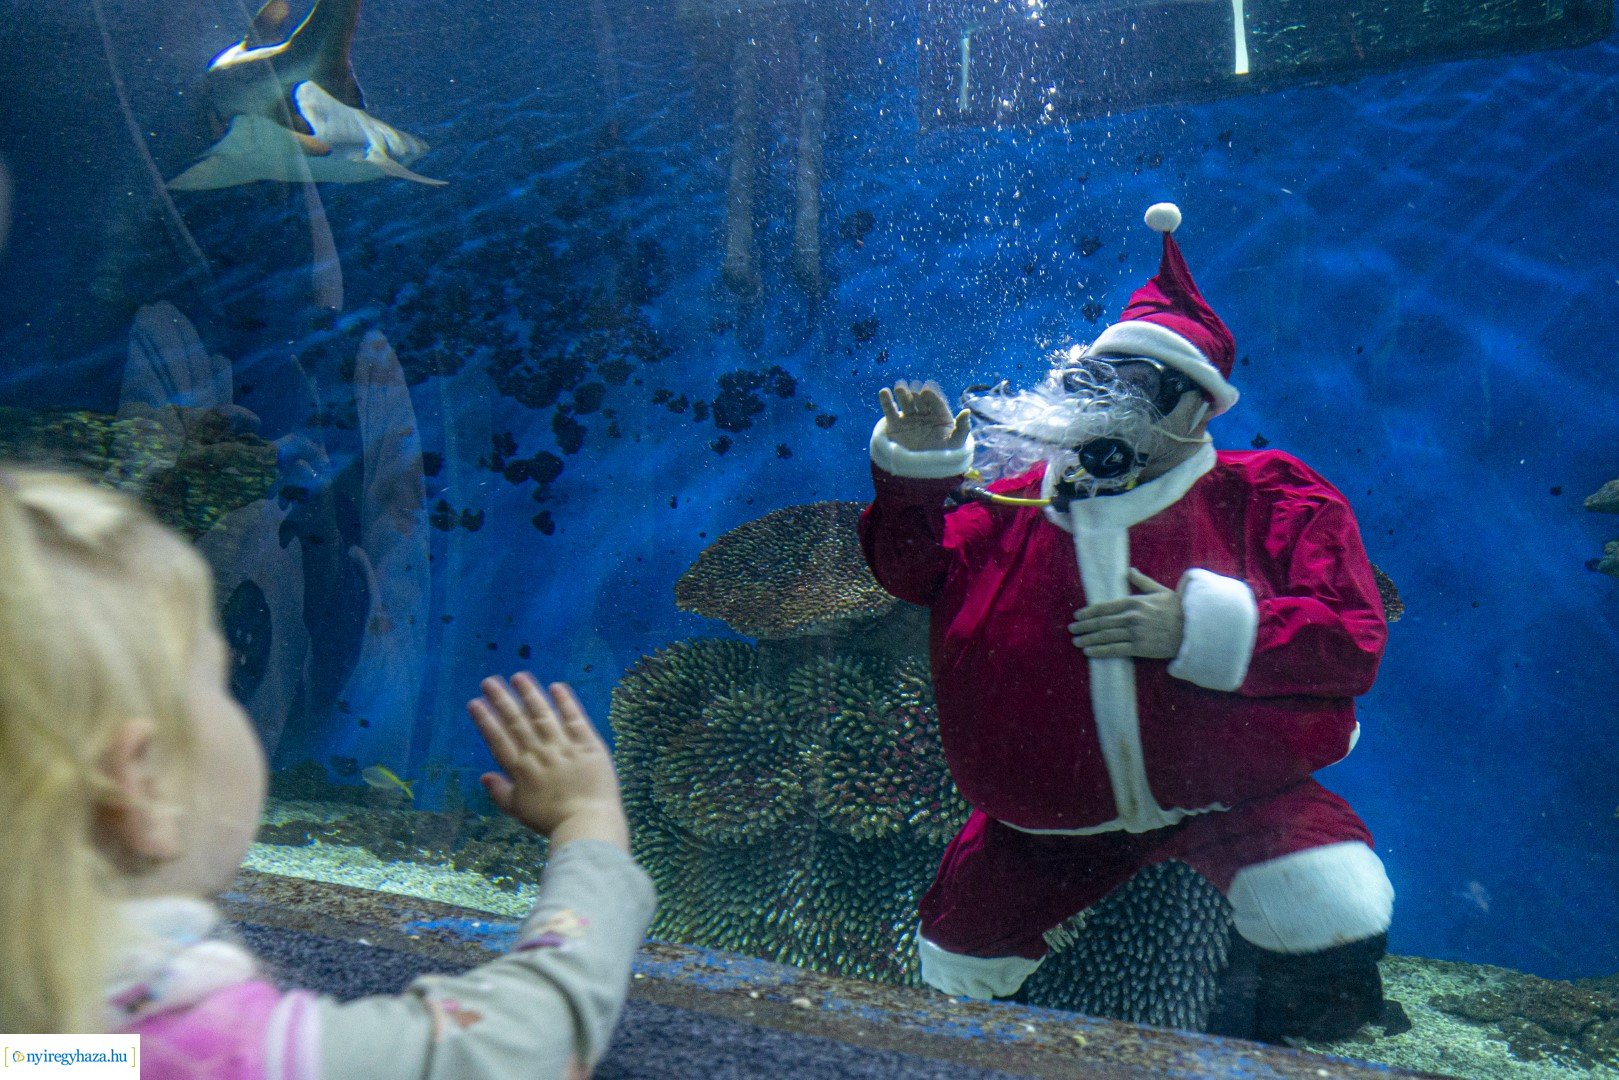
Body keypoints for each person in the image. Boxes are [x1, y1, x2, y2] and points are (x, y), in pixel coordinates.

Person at [858, 203, 1396, 1044]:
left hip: (1239, 793)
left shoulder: (1270, 494)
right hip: (1043, 824)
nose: (1111, 408)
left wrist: (1195, 627)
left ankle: (1296, 1022)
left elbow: (1350, 635)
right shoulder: (1018, 498)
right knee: (956, 958)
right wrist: (915, 479)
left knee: (1330, 902)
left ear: (1199, 408)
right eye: (1095, 383)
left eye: (1143, 387)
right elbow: (913, 571)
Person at [0, 467, 655, 1077]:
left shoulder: (45, 1051)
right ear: (140, 783)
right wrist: (589, 825)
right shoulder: (219, 1054)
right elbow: (530, 1044)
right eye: (223, 681)